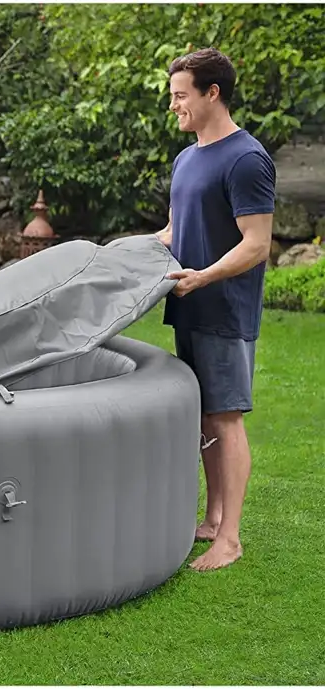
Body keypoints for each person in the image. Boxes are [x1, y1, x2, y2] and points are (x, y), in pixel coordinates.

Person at [154, 47, 275, 571]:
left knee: (225, 418)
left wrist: (203, 276)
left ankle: (231, 538)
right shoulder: (186, 159)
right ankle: (213, 517)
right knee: (204, 416)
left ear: (212, 93)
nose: (174, 106)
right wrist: (127, 253)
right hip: (189, 305)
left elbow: (257, 244)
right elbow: (174, 230)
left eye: (181, 95)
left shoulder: (246, 159)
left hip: (224, 309)